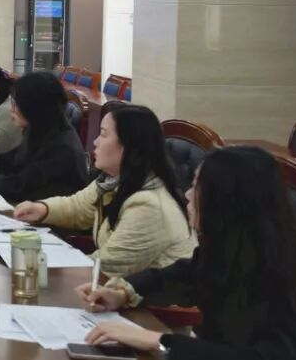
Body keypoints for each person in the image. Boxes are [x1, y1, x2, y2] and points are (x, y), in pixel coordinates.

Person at [78, 146, 296, 359]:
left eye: (196, 187)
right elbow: (186, 274)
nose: (187, 195)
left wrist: (159, 341)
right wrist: (123, 293)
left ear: (224, 202)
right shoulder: (233, 248)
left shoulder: (284, 277)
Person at [13, 105, 195, 277]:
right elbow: (78, 207)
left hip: (149, 299)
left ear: (129, 145)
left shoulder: (149, 206)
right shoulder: (113, 181)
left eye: (103, 134)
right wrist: (42, 209)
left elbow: (106, 267)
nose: (95, 141)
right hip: (114, 288)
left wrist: (41, 266)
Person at [0, 71, 88, 202]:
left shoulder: (62, 148)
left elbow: (21, 186)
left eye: (16, 104)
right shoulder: (40, 128)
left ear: (34, 107)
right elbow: (10, 162)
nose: (11, 109)